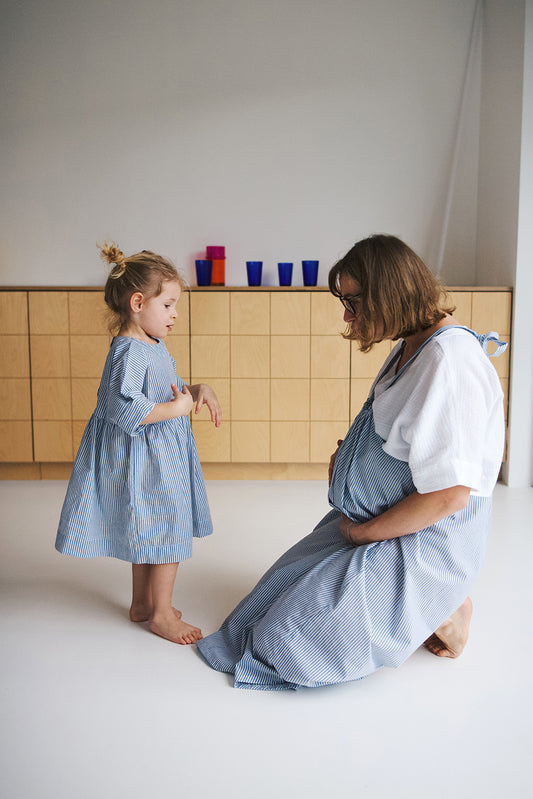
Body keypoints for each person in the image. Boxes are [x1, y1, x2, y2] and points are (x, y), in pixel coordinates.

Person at [196, 234, 507, 690]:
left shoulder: (450, 362)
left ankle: (446, 605)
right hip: (380, 520)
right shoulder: (413, 344)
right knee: (257, 612)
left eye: (354, 302)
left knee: (285, 644)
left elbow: (449, 495)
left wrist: (364, 532)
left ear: (390, 292)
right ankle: (437, 605)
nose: (347, 316)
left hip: (427, 542)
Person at [56, 243, 221, 645]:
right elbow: (125, 410)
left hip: (157, 455)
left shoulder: (151, 344)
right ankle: (162, 613)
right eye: (168, 305)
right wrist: (178, 408)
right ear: (137, 302)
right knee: (167, 525)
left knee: (148, 524)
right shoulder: (129, 351)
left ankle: (142, 603)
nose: (175, 314)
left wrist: (195, 389)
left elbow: (163, 389)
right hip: (148, 459)